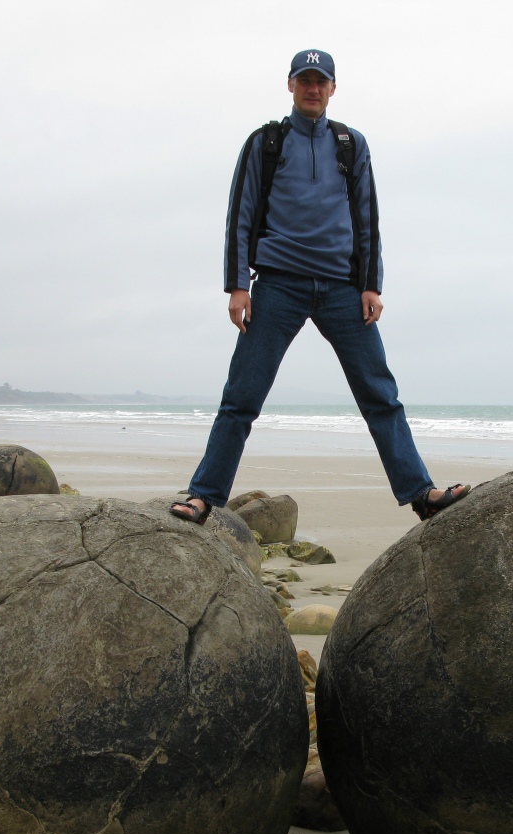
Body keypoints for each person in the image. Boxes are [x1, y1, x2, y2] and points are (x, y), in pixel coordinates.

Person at [170, 49, 468, 525]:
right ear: (290, 85)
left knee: (380, 396)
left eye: (321, 81)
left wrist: (371, 285)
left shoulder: (352, 144)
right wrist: (237, 286)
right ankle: (204, 496)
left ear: (333, 88)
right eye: (304, 80)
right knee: (242, 397)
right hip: (277, 286)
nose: (313, 89)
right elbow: (240, 215)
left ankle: (420, 494)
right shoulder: (265, 142)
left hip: (342, 290)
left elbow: (367, 218)